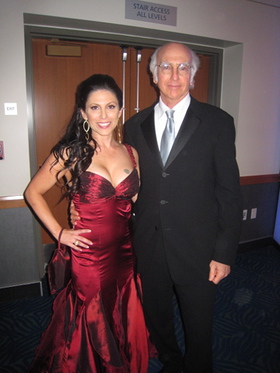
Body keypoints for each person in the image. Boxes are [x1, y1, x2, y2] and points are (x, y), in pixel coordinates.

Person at [71, 43, 243, 373]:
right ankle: (171, 362)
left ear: (193, 75)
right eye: (166, 67)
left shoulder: (218, 122)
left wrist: (224, 253)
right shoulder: (135, 125)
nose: (174, 75)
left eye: (183, 68)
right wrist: (80, 208)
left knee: (199, 327)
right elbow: (127, 182)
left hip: (199, 249)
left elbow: (230, 193)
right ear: (154, 74)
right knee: (158, 319)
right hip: (147, 247)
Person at [24, 74, 155, 373]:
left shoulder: (131, 153)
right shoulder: (71, 152)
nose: (103, 115)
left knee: (121, 308)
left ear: (120, 110)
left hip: (125, 251)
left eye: (110, 106)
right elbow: (33, 192)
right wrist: (60, 232)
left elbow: (135, 203)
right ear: (83, 113)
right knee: (92, 313)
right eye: (94, 108)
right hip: (89, 255)